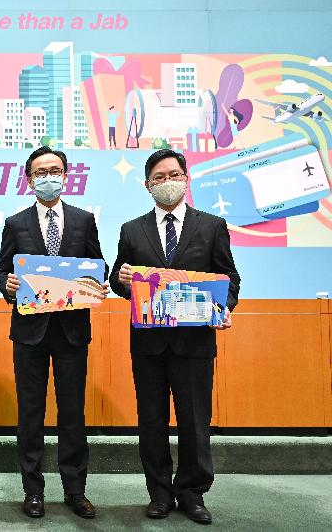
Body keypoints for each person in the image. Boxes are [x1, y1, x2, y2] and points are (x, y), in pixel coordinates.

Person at [109, 149, 240, 524]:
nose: (167, 182)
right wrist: (122, 280)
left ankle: (192, 493)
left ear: (186, 178)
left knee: (194, 422)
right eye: (159, 177)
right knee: (151, 422)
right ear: (147, 185)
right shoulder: (132, 230)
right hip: (148, 344)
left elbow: (229, 278)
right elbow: (120, 280)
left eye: (174, 175)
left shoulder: (211, 226)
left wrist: (224, 307)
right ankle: (160, 493)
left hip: (194, 343)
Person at [0, 146, 108, 520]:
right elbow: (1, 271)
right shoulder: (16, 223)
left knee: (72, 412)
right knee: (31, 413)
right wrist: (8, 285)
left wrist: (97, 282)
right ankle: (33, 491)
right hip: (29, 332)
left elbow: (98, 264)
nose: (48, 177)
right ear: (29, 180)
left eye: (54, 170)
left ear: (65, 175)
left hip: (72, 331)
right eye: (40, 172)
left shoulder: (83, 220)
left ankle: (76, 490)